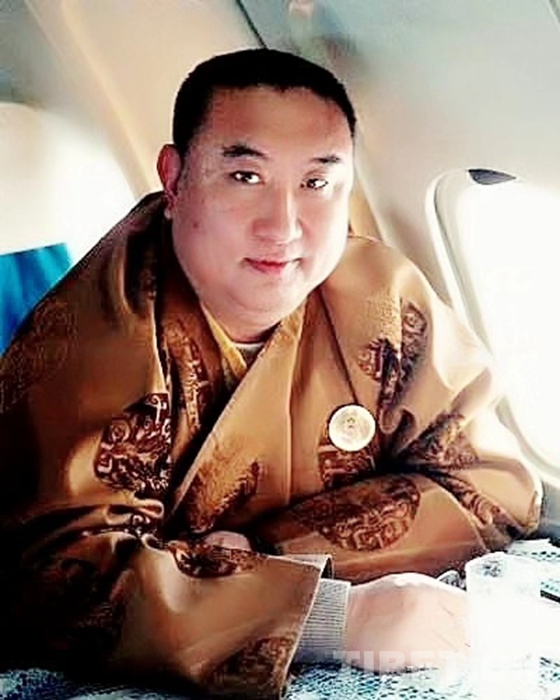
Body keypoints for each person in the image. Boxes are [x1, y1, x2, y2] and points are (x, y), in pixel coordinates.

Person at [0, 48, 541, 698]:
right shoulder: (95, 341)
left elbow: (493, 487)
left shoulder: (380, 298)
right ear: (174, 181)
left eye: (317, 183)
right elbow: (63, 578)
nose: (284, 227)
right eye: (245, 177)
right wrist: (333, 617)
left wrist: (266, 557)